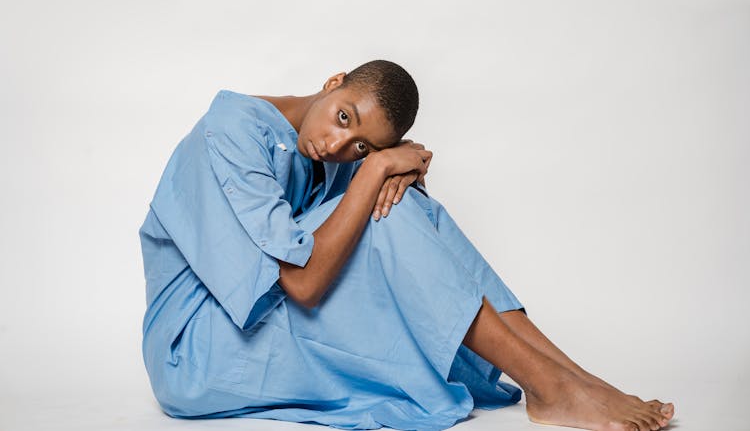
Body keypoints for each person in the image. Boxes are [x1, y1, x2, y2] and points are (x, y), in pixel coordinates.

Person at [139, 60, 675, 431]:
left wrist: (401, 166)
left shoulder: (333, 155)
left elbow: (402, 230)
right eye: (343, 116)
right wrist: (379, 164)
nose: (336, 144)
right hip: (198, 348)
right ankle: (549, 385)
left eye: (361, 145)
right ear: (333, 81)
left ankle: (570, 377)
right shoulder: (230, 131)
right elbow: (303, 284)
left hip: (248, 329)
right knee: (388, 217)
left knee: (411, 210)